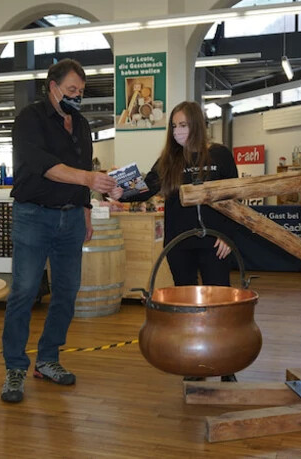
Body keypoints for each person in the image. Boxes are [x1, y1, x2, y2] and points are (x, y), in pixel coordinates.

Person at [1, 58, 122, 403]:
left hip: (71, 218)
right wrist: (87, 179)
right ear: (53, 88)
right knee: (24, 291)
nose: (77, 97)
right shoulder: (29, 120)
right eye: (71, 90)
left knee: (67, 292)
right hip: (33, 216)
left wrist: (85, 208)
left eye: (80, 92)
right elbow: (45, 167)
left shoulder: (81, 124)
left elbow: (84, 167)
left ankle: (48, 359)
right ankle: (14, 367)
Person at [121, 100, 240, 382]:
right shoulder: (168, 161)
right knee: (187, 307)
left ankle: (225, 364)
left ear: (197, 125)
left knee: (220, 305)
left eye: (183, 125)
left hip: (215, 244)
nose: (178, 131)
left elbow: (235, 197)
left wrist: (230, 236)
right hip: (179, 245)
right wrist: (117, 189)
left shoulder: (220, 155)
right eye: (174, 126)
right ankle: (194, 364)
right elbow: (143, 189)